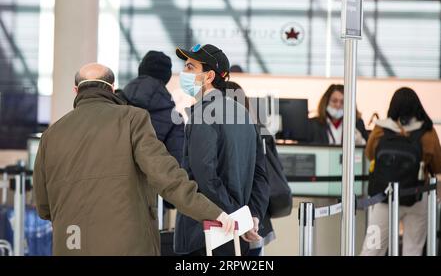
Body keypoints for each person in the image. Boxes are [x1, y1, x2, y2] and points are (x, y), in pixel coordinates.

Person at [32, 63, 235, 256]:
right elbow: (167, 177)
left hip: (70, 245)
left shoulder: (51, 135)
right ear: (112, 88)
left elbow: (43, 206)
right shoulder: (132, 119)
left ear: (76, 91)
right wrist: (213, 213)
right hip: (127, 245)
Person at [173, 44, 269, 256]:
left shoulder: (203, 116)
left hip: (205, 233)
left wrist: (234, 217)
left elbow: (206, 177)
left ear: (209, 77)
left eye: (190, 67)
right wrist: (250, 216)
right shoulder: (244, 113)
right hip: (235, 235)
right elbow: (260, 174)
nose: (184, 73)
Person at [360, 87, 441, 256]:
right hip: (417, 197)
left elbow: (370, 155)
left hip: (384, 197)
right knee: (412, 249)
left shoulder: (381, 129)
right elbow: (438, 165)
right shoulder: (427, 131)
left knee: (372, 248)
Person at [225, 81, 277, 256]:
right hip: (253, 220)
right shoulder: (254, 129)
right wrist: (254, 216)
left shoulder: (244, 134)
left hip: (240, 225)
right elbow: (261, 179)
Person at [121, 51, 184, 164]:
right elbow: (176, 163)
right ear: (167, 76)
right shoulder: (174, 118)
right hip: (150, 179)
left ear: (141, 69)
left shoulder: (114, 102)